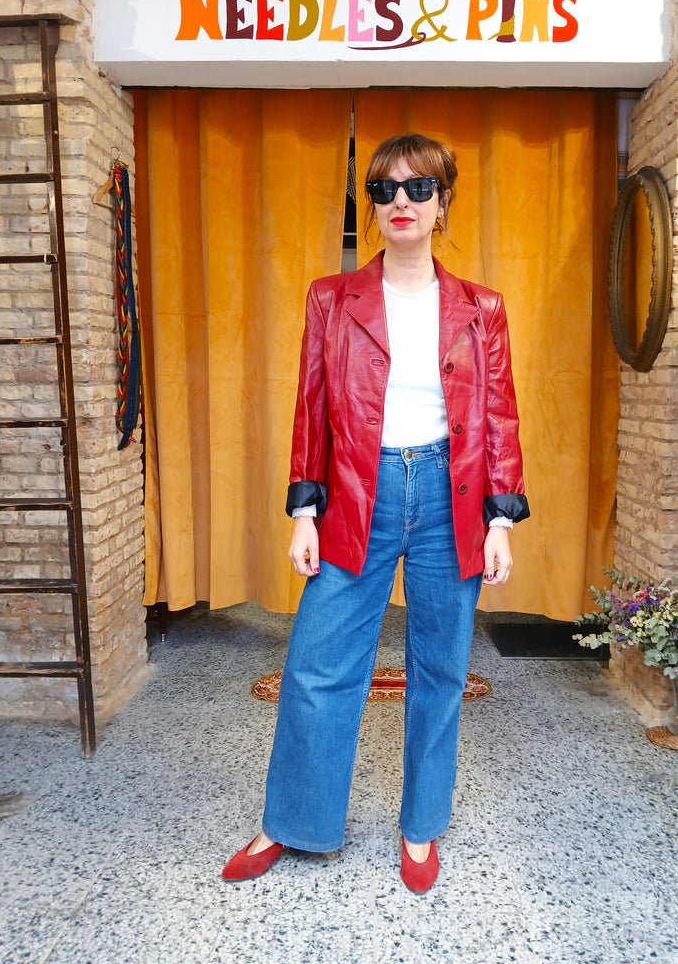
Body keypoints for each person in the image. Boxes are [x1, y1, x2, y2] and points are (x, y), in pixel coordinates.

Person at [222, 133, 529, 893]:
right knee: (317, 664)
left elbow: (498, 416)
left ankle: (421, 826)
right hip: (361, 491)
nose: (401, 202)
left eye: (419, 188)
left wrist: (500, 520)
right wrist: (305, 511)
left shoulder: (480, 309)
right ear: (373, 205)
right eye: (386, 189)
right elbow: (311, 410)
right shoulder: (331, 298)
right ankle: (291, 820)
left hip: (451, 496)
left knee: (440, 668)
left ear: (442, 203)